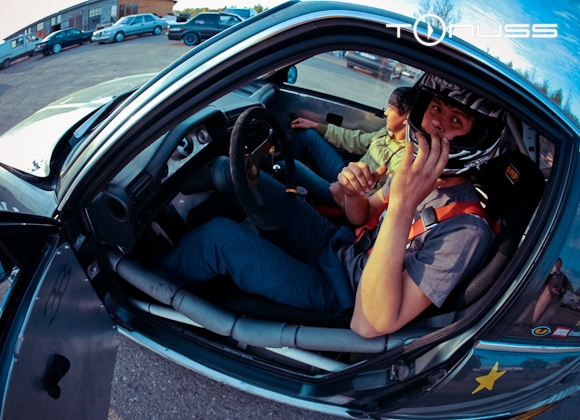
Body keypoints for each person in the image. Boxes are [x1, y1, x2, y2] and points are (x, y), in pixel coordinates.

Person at [159, 74, 503, 338]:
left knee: (217, 238)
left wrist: (402, 203)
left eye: (456, 121)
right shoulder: (416, 174)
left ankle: (151, 288)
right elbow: (361, 216)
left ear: (478, 140)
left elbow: (370, 323)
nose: (437, 123)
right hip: (336, 243)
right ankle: (177, 237)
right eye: (436, 109)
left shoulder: (466, 230)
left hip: (344, 294)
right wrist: (353, 196)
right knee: (246, 178)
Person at [287, 87, 417, 207]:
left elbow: (379, 198)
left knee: (287, 166)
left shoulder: (405, 159)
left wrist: (348, 195)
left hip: (349, 196)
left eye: (391, 109)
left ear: (406, 117)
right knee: (308, 135)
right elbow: (355, 139)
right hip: (346, 173)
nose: (386, 113)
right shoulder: (386, 133)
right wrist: (316, 125)